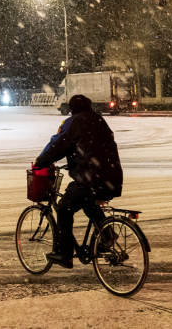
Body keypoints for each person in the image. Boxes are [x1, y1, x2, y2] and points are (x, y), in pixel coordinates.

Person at [34, 94, 123, 268]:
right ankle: (107, 235)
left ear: (72, 109)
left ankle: (63, 254)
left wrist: (41, 162)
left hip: (90, 179)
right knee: (89, 203)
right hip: (112, 177)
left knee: (63, 209)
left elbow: (58, 145)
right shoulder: (99, 120)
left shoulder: (74, 122)